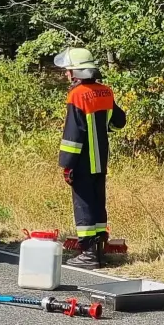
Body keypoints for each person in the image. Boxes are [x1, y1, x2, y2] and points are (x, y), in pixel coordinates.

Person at [55, 47, 126, 269]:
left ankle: (87, 254)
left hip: (83, 160)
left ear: (76, 73)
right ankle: (99, 250)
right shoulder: (105, 91)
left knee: (83, 205)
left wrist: (67, 164)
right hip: (101, 159)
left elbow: (73, 135)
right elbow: (118, 121)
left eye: (68, 71)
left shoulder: (76, 95)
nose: (66, 74)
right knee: (97, 203)